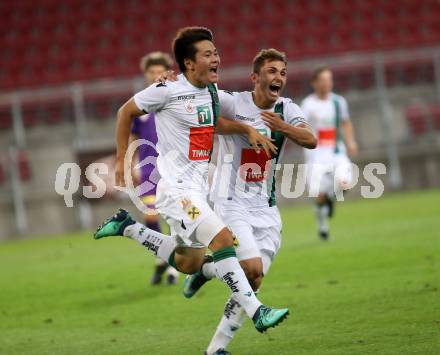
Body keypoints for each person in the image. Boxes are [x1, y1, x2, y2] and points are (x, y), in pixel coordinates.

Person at [94, 27, 289, 334]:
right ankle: (257, 312)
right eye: (208, 54)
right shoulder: (166, 90)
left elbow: (212, 124)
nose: (216, 59)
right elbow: (125, 112)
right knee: (224, 240)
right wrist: (121, 160)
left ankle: (127, 227)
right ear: (189, 63)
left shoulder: (210, 92)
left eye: (216, 53)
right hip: (176, 191)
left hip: (198, 190)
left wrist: (245, 130)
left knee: (189, 262)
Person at [178, 49, 316, 355]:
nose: (277, 76)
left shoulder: (286, 108)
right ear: (255, 77)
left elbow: (311, 139)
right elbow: (206, 120)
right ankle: (207, 272)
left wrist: (283, 127)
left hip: (266, 208)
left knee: (253, 280)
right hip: (230, 201)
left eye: (282, 72)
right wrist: (246, 128)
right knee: (249, 267)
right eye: (271, 71)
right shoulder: (233, 102)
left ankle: (214, 348)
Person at [130, 51, 179, 285]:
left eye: (159, 71)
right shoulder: (140, 102)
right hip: (148, 169)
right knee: (149, 214)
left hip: (172, 167)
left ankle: (171, 267)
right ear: (146, 75)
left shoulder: (175, 99)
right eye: (152, 72)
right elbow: (132, 136)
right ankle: (164, 259)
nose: (155, 75)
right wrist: (128, 163)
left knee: (173, 216)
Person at [301, 67, 358, 240]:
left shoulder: (338, 102)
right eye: (323, 79)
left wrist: (350, 141)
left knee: (345, 184)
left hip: (336, 151)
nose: (327, 83)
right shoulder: (308, 104)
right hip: (316, 155)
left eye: (329, 79)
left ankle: (331, 199)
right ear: (314, 83)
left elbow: (346, 123)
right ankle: (322, 226)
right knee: (318, 196)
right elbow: (301, 127)